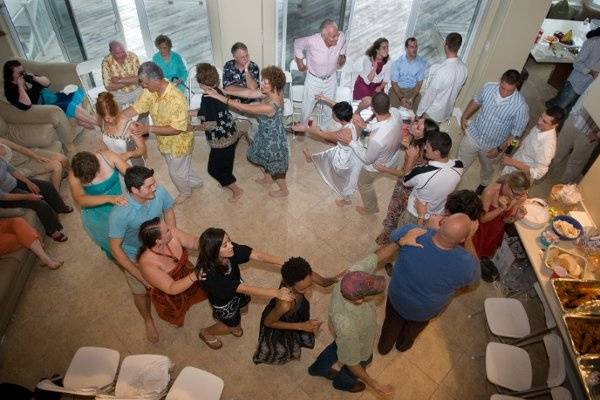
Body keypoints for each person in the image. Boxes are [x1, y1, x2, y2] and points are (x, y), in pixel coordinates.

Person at [307, 229, 425, 396]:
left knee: (336, 347)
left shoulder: (351, 275)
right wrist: (374, 384)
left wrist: (400, 242)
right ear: (359, 300)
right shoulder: (346, 327)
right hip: (358, 346)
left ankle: (317, 368)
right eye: (372, 293)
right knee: (357, 362)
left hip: (345, 338)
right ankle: (342, 384)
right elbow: (351, 362)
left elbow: (377, 256)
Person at [378, 213, 479, 355]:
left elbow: (393, 236)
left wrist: (425, 226)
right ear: (461, 239)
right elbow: (475, 278)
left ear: (442, 221)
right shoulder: (466, 264)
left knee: (391, 324)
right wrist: (469, 239)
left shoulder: (412, 232)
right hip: (425, 310)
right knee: (412, 330)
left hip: (398, 298)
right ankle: (402, 346)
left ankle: (384, 347)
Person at [196, 227, 294, 350]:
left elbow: (257, 255)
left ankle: (235, 323)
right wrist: (275, 292)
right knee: (232, 326)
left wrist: (284, 262)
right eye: (225, 245)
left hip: (236, 291)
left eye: (229, 241)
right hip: (225, 303)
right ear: (214, 251)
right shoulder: (209, 275)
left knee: (243, 307)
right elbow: (243, 289)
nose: (231, 246)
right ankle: (206, 332)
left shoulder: (229, 251)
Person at [108, 166, 176, 343]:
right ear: (134, 190)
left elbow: (168, 209)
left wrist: (171, 236)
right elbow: (115, 248)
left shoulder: (159, 191)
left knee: (170, 279)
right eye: (149, 186)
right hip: (135, 255)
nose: (155, 187)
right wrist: (138, 274)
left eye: (154, 183)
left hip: (159, 246)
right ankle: (148, 320)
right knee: (140, 291)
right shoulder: (120, 213)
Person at [122, 62, 202, 204]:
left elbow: (177, 128)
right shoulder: (149, 91)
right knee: (181, 168)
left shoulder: (176, 98)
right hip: (164, 141)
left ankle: (185, 192)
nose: (143, 86)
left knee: (176, 171)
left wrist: (148, 129)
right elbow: (137, 108)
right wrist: (118, 119)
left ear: (155, 80)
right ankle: (196, 182)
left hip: (179, 143)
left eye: (145, 83)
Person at [204, 66, 289, 197]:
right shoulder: (271, 92)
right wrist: (223, 91)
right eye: (262, 80)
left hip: (274, 139)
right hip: (266, 133)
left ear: (274, 85)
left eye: (266, 82)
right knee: (260, 155)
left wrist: (221, 98)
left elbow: (243, 107)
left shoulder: (269, 106)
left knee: (275, 165)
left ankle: (284, 190)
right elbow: (249, 93)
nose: (262, 83)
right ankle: (268, 178)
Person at [253, 257, 338, 365]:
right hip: (282, 321)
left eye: (310, 285)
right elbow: (268, 322)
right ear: (288, 285)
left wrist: (337, 278)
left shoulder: (304, 275)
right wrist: (301, 326)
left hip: (297, 313)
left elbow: (324, 282)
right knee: (282, 346)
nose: (308, 291)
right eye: (302, 289)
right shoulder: (285, 304)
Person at [459, 69, 529, 194]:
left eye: (509, 90)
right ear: (500, 80)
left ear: (516, 86)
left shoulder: (521, 107)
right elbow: (476, 100)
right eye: (502, 88)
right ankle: (455, 178)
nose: (504, 93)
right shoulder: (488, 87)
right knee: (460, 162)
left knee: (487, 168)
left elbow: (515, 135)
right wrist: (464, 116)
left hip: (493, 145)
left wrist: (499, 149)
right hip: (473, 133)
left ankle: (484, 183)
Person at [375, 117, 440, 244]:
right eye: (417, 121)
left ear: (424, 135)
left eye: (418, 127)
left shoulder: (416, 152)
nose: (414, 124)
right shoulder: (419, 143)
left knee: (394, 210)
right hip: (414, 184)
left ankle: (387, 238)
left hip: (406, 187)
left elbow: (405, 175)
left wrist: (384, 169)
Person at [292, 99, 364, 205]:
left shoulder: (342, 133)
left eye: (333, 114)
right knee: (325, 157)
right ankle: (311, 157)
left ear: (338, 118)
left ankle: (346, 199)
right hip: (355, 151)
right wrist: (324, 97)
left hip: (344, 157)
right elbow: (338, 107)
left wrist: (305, 128)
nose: (332, 115)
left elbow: (322, 134)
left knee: (336, 172)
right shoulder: (356, 118)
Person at [137, 217, 207, 327]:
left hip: (186, 274)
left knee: (196, 293)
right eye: (167, 230)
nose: (171, 228)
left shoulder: (172, 233)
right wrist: (193, 277)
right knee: (175, 311)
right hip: (169, 293)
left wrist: (211, 244)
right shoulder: (147, 265)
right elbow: (171, 288)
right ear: (158, 240)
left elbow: (193, 242)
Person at [341, 92, 402, 215]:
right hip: (394, 155)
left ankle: (370, 209)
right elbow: (383, 125)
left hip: (377, 166)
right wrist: (365, 126)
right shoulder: (395, 113)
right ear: (389, 105)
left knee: (363, 184)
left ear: (372, 108)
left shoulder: (376, 139)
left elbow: (367, 159)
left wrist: (351, 142)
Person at [195, 63, 243, 201]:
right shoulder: (218, 91)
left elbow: (210, 124)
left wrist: (192, 128)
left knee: (213, 169)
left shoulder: (206, 98)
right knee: (226, 164)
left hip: (221, 140)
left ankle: (236, 189)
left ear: (200, 82)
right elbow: (211, 112)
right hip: (231, 133)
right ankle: (226, 182)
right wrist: (192, 113)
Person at [3, 60, 97, 130]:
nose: (22, 74)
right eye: (19, 73)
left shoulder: (27, 77)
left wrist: (35, 78)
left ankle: (77, 119)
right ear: (11, 75)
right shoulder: (10, 90)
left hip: (53, 96)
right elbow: (26, 105)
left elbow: (47, 83)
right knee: (69, 105)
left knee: (78, 90)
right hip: (46, 105)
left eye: (23, 70)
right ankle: (98, 123)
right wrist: (20, 85)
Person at [69, 150, 129, 258]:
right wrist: (108, 198)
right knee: (112, 240)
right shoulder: (74, 173)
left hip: (120, 200)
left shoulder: (108, 156)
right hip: (97, 211)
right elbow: (80, 199)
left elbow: (131, 173)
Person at [398, 131, 463, 225]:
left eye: (427, 147)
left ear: (437, 152)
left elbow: (405, 180)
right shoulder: (459, 166)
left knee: (403, 234)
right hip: (437, 212)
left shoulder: (422, 173)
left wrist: (410, 158)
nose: (424, 148)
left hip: (415, 213)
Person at [0, 157, 72, 242]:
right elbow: (3, 196)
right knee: (40, 203)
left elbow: (11, 169)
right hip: (5, 197)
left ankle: (60, 207)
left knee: (47, 186)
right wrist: (27, 196)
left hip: (14, 182)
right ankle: (52, 231)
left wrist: (29, 182)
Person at [294, 19, 347, 128]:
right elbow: (297, 44)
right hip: (314, 80)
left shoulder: (341, 37)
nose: (337, 38)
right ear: (323, 36)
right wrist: (300, 63)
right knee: (307, 108)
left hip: (331, 79)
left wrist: (342, 54)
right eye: (333, 36)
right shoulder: (311, 41)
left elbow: (343, 42)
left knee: (329, 108)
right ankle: (303, 128)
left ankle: (324, 129)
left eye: (337, 34)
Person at [473, 171, 530, 259]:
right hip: (483, 229)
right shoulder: (490, 191)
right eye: (515, 193)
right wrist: (500, 209)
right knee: (474, 252)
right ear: (507, 184)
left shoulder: (521, 197)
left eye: (521, 194)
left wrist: (516, 217)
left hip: (497, 228)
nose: (516, 198)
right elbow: (482, 219)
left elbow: (505, 220)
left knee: (486, 253)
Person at [550, 86, 600, 183]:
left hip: (589, 134)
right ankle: (545, 170)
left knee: (575, 163)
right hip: (573, 120)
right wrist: (572, 114)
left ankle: (563, 185)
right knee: (557, 149)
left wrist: (597, 135)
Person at [501, 106, 565, 181]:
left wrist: (513, 163)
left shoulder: (547, 147)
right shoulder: (541, 126)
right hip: (513, 164)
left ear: (554, 125)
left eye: (545, 121)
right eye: (541, 117)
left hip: (520, 177)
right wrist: (518, 144)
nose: (539, 121)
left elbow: (539, 173)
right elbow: (529, 145)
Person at [416, 32, 468, 124]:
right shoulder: (464, 69)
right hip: (446, 112)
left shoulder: (442, 71)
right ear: (458, 47)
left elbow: (429, 96)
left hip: (432, 114)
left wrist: (419, 113)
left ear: (445, 45)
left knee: (423, 137)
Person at [546, 27, 600, 113]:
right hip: (576, 83)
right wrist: (591, 72)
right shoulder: (593, 42)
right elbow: (577, 63)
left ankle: (552, 103)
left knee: (568, 109)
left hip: (589, 88)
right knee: (559, 112)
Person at [0, 137, 68, 195]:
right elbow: (7, 171)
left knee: (63, 158)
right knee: (57, 165)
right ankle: (57, 195)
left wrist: (37, 157)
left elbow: (20, 148)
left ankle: (70, 174)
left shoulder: (1, 140)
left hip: (27, 155)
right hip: (22, 166)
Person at [96, 92, 147, 166]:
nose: (110, 121)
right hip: (115, 165)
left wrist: (128, 154)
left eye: (113, 116)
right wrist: (102, 150)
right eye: (106, 118)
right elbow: (107, 142)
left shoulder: (130, 125)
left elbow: (143, 149)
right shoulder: (101, 122)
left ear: (116, 110)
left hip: (133, 167)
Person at [389, 37, 427, 110]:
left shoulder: (421, 63)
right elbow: (394, 83)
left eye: (416, 46)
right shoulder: (397, 62)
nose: (415, 49)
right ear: (406, 49)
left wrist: (412, 98)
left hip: (413, 91)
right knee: (393, 112)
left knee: (417, 113)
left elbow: (419, 84)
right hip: (397, 90)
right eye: (412, 47)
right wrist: (402, 98)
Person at [101, 40, 143, 108]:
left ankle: (142, 118)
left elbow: (140, 78)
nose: (122, 55)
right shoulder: (106, 62)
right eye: (118, 53)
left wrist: (119, 80)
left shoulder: (132, 56)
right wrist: (131, 80)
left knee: (146, 102)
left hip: (136, 90)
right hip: (118, 94)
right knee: (111, 110)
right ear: (111, 52)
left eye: (123, 51)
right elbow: (108, 87)